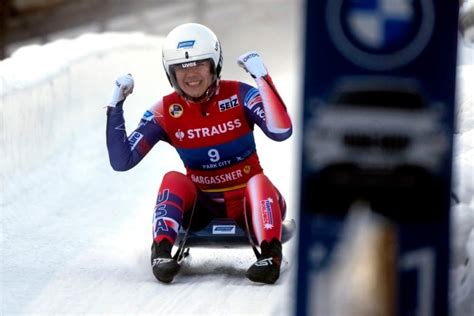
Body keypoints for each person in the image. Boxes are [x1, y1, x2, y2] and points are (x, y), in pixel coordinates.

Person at [105, 23, 292, 284]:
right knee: (173, 178)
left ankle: (271, 255)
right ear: (170, 72)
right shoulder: (164, 110)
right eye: (181, 67)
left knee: (258, 182)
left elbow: (281, 130)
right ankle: (160, 251)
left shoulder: (239, 94)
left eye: (199, 64)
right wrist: (116, 106)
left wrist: (262, 79)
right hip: (201, 206)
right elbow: (122, 161)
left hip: (250, 205)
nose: (190, 74)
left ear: (214, 65)